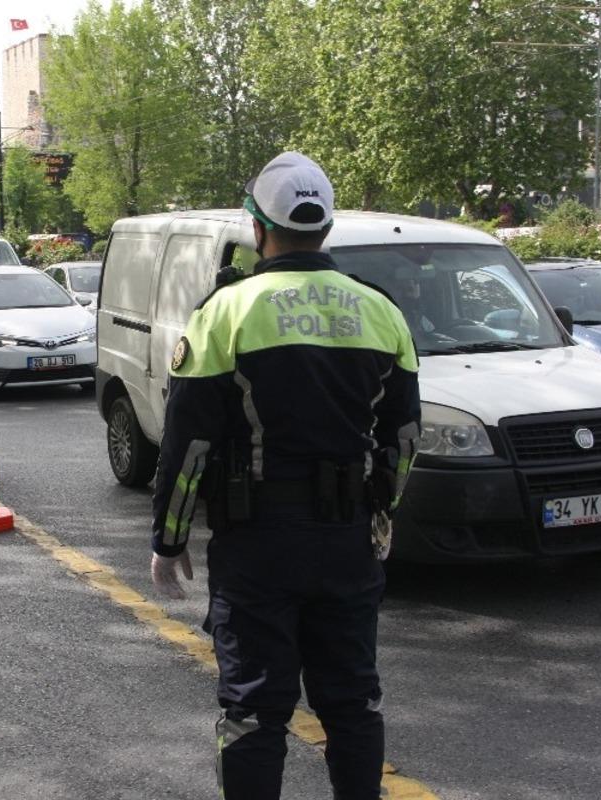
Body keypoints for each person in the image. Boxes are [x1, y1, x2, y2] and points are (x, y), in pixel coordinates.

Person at [150, 151, 421, 800]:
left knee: (253, 711)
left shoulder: (227, 310)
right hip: (347, 540)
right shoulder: (381, 312)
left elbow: (189, 446)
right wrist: (380, 512)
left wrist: (169, 538)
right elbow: (405, 439)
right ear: (326, 228)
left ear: (257, 228)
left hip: (258, 544)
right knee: (353, 704)